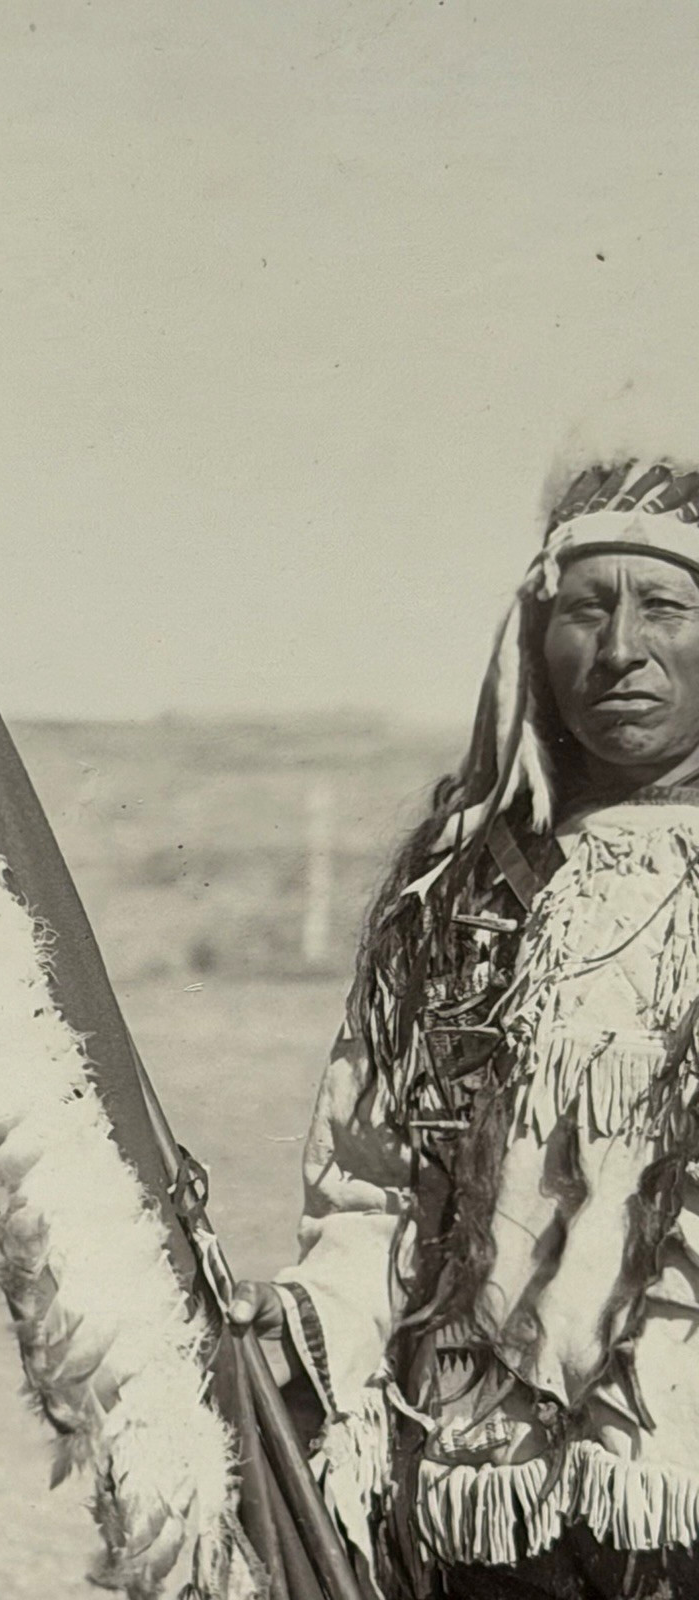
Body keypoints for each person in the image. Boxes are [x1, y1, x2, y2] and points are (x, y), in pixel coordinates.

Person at [230, 455, 699, 1599]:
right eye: (587, 609)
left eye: (667, 607)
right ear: (536, 638)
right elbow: (377, 1186)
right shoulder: (457, 896)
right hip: (486, 1489)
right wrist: (304, 1322)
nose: (622, 649)